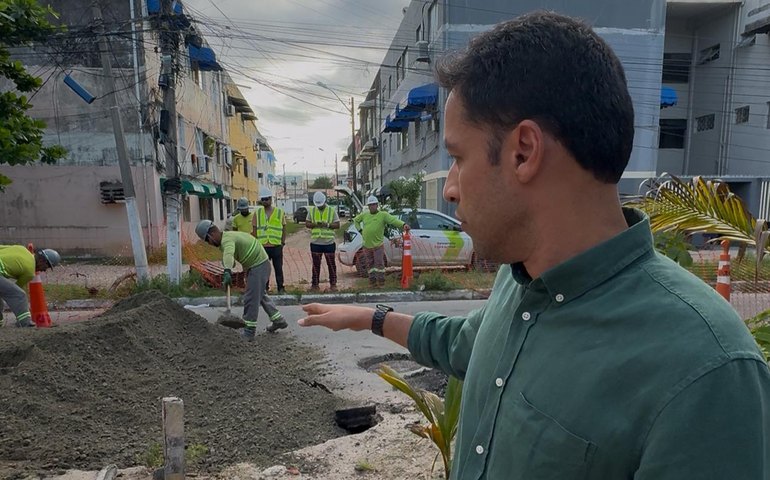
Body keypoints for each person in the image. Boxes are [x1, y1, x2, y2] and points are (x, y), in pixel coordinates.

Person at [298, 12, 770, 479]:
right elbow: (466, 345)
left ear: (524, 151)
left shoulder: (708, 371)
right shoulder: (520, 279)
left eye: (458, 157)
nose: (450, 188)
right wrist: (370, 318)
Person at [195, 220, 286, 339]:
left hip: (258, 265)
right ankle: (278, 320)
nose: (209, 244)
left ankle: (249, 331)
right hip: (256, 264)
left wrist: (227, 271)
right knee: (259, 294)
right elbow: (230, 257)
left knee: (251, 298)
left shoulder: (227, 240)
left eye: (207, 240)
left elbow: (229, 253)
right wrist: (228, 265)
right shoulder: (227, 238)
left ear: (211, 234)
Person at [353, 196, 409, 287]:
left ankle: (381, 282)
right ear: (368, 206)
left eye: (374, 204)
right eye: (370, 205)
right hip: (367, 246)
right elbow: (356, 221)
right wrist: (360, 230)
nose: (372, 206)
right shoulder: (364, 215)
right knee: (370, 265)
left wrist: (403, 225)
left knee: (379, 264)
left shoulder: (383, 215)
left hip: (377, 245)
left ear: (377, 205)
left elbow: (393, 220)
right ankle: (372, 282)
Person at [0, 245, 60, 327]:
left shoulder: (21, 248)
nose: (44, 270)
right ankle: (25, 323)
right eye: (47, 266)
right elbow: (16, 288)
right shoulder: (30, 272)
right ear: (42, 261)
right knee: (19, 295)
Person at [254, 186, 286, 293]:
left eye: (266, 199)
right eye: (262, 199)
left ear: (271, 199)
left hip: (276, 246)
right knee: (264, 270)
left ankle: (280, 288)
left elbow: (284, 227)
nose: (264, 201)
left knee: (278, 268)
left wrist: (282, 242)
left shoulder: (279, 212)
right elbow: (254, 230)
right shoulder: (257, 213)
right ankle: (265, 288)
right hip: (263, 247)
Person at [305, 191, 339, 292]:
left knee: (331, 265)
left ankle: (333, 284)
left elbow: (337, 225)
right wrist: (315, 224)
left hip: (329, 243)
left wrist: (327, 225)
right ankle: (315, 285)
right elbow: (307, 223)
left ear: (325, 201)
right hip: (316, 243)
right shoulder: (312, 211)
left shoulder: (331, 211)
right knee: (316, 265)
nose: (319, 206)